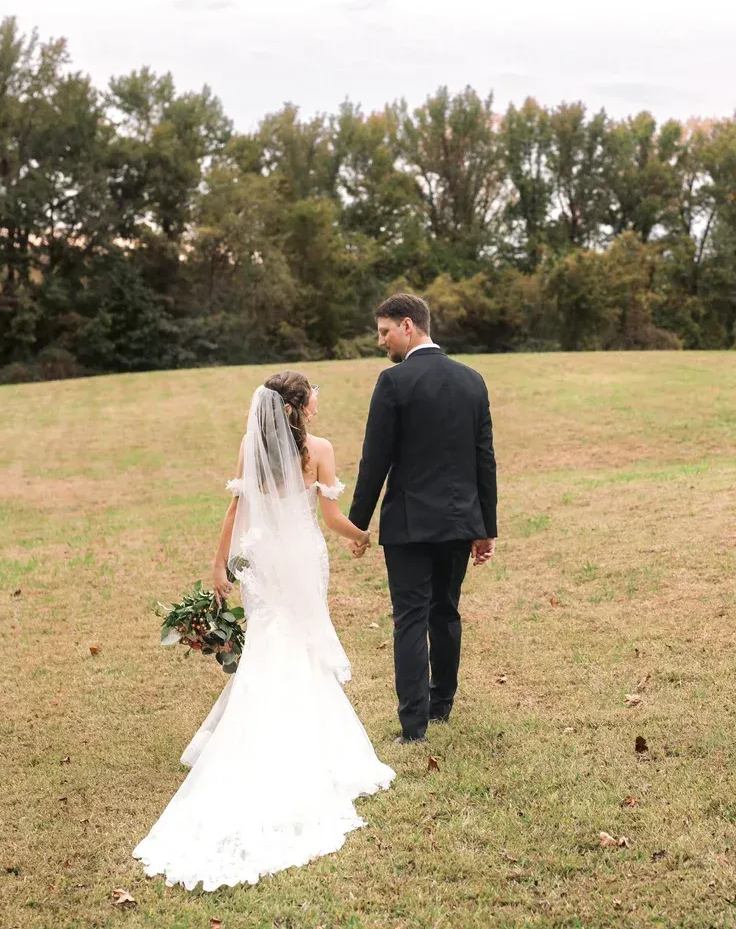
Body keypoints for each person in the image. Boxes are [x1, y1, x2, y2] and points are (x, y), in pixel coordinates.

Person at [134, 372, 393, 890]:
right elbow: (331, 517)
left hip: (261, 561)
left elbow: (235, 508)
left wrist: (218, 565)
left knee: (271, 641)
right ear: (299, 405)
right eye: (314, 393)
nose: (320, 399)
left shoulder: (250, 446)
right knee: (298, 640)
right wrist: (361, 538)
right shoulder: (318, 449)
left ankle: (259, 726)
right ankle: (301, 740)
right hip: (301, 557)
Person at [348, 294, 498, 745]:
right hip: (458, 524)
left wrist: (358, 523)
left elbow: (375, 460)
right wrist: (485, 527)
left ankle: (414, 727)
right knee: (445, 611)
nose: (382, 342)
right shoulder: (473, 381)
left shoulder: (394, 382)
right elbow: (483, 460)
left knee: (411, 619)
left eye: (385, 331)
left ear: (408, 326)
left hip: (409, 526)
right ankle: (441, 705)